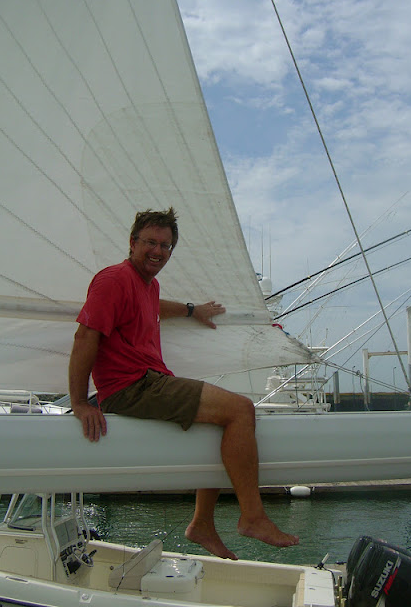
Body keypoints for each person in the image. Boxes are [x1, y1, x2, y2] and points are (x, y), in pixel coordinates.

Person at [69, 207, 299, 560]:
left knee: (217, 426)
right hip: (132, 386)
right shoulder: (113, 279)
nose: (157, 251)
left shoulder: (146, 285)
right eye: (150, 242)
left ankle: (202, 524)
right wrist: (80, 402)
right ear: (133, 242)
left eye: (165, 245)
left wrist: (193, 310)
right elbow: (85, 336)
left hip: (151, 380)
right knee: (241, 410)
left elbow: (155, 306)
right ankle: (252, 517)